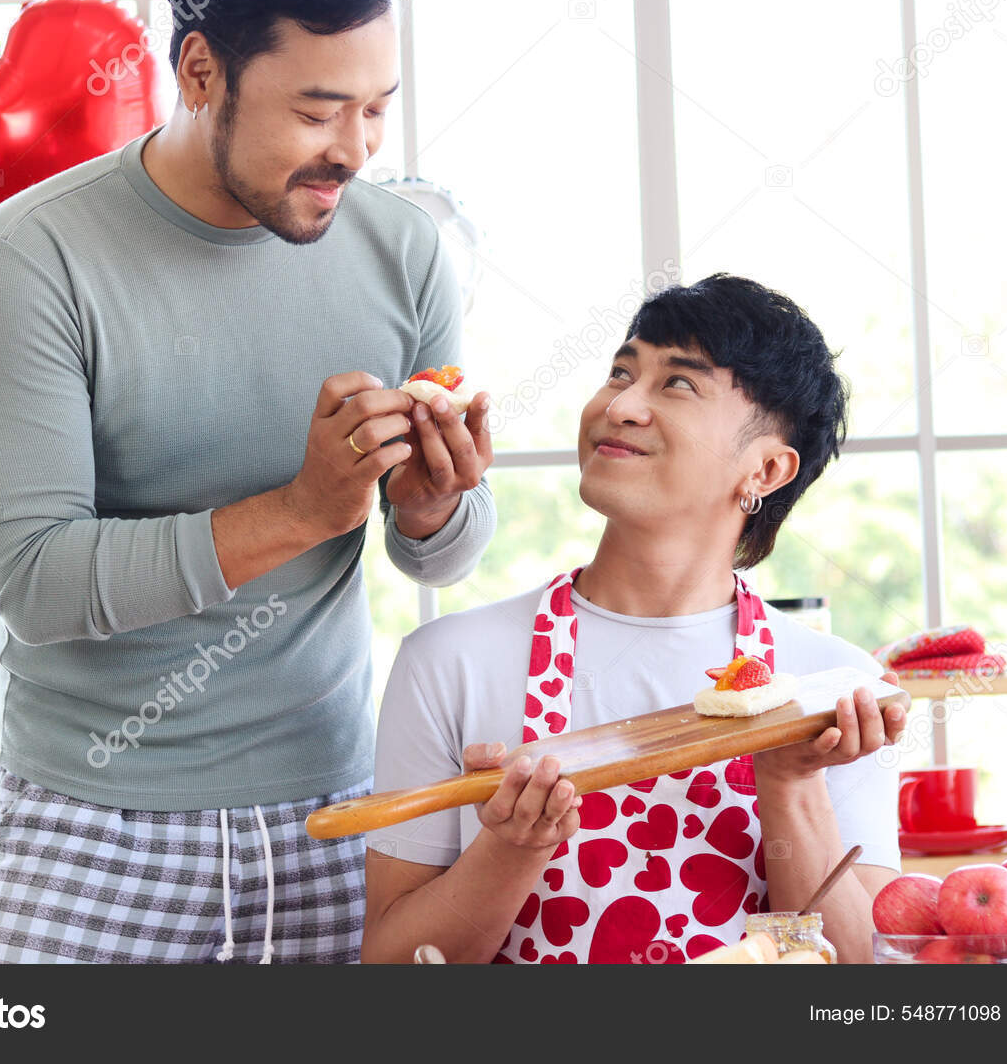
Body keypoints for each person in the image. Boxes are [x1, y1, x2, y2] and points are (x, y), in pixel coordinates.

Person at [0, 0, 494, 964]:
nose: (354, 150)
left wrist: (432, 504)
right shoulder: (29, 258)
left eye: (377, 109)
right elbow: (37, 581)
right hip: (92, 820)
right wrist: (300, 510)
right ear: (200, 72)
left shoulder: (404, 251)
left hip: (340, 808)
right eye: (319, 110)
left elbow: (447, 549)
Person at [361, 274, 906, 964]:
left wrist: (792, 780)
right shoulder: (448, 662)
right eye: (621, 371)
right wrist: (510, 848)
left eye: (677, 383)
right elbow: (390, 966)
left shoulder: (832, 689)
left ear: (766, 468)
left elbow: (855, 971)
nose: (620, 405)